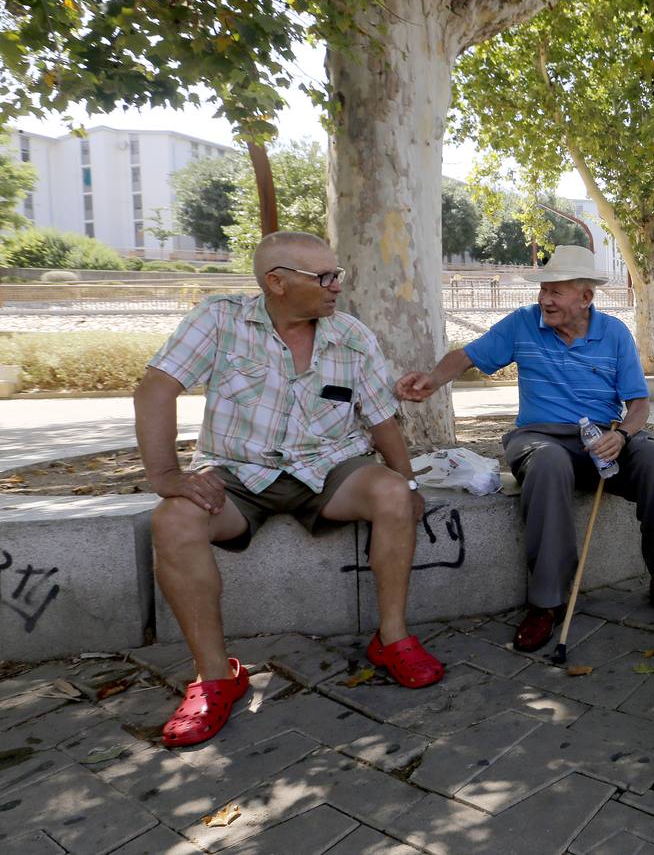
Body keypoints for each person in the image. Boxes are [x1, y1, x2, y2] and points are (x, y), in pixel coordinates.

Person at [135, 231, 443, 748]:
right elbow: (155, 389)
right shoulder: (220, 318)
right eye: (323, 276)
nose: (336, 286)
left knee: (391, 494)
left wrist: (407, 480)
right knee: (173, 519)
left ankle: (392, 639)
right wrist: (165, 475)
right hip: (239, 472)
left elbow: (382, 417)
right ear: (276, 283)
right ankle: (214, 678)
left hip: (330, 469)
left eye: (336, 274)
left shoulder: (351, 335)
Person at [395, 245, 654, 653]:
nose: (545, 299)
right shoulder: (523, 324)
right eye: (543, 290)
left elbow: (639, 405)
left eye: (555, 291)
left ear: (585, 297)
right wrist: (431, 381)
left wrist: (623, 435)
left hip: (603, 437)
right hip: (539, 435)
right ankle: (547, 601)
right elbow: (466, 357)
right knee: (549, 461)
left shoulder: (615, 334)